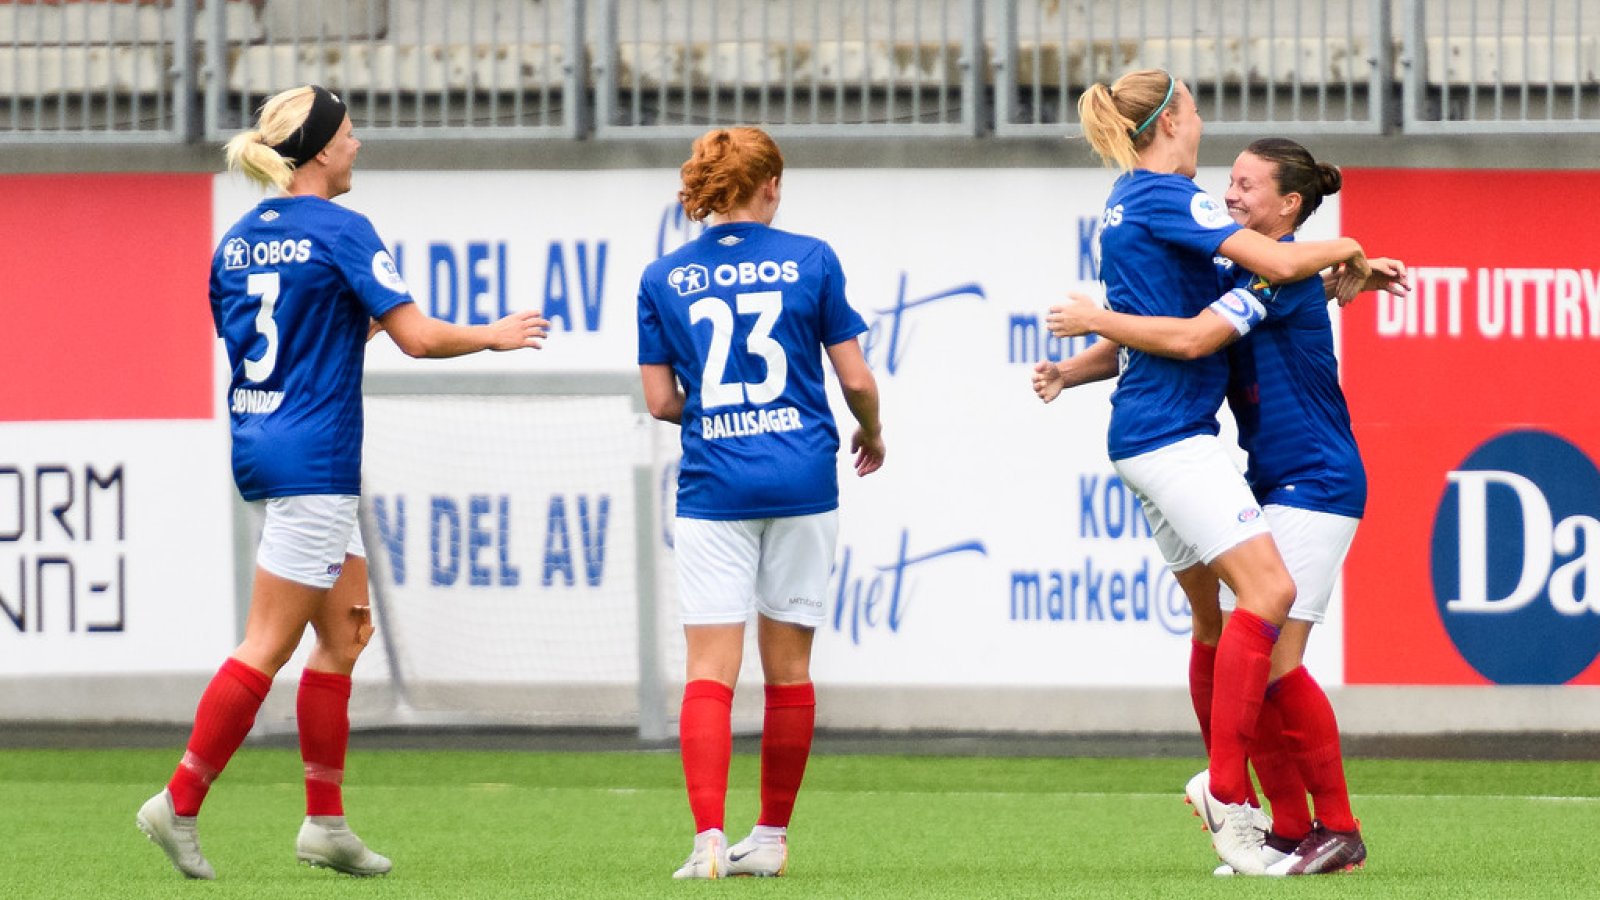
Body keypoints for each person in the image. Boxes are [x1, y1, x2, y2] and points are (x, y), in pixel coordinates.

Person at [135, 84, 549, 880]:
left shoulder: (235, 241)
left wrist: (360, 318)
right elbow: (420, 340)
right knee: (268, 643)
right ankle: (178, 801)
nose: (359, 146)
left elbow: (288, 332)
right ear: (321, 150)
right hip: (316, 461)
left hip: (263, 448)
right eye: (351, 135)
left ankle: (325, 823)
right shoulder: (343, 228)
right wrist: (494, 336)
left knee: (345, 633)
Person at [1042, 138, 1405, 875]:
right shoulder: (1253, 269)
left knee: (1276, 661)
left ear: (1288, 205)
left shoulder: (1280, 275)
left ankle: (1327, 824)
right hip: (1279, 477)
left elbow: (1197, 335)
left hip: (1320, 480)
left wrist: (1096, 319)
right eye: (1230, 182)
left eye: (1245, 187)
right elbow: (1169, 340)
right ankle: (1292, 829)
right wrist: (1073, 370)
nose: (1229, 196)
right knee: (1262, 657)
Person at [636, 126, 885, 880]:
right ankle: (770, 838)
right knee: (790, 670)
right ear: (770, 185)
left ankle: (709, 837)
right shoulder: (812, 259)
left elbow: (658, 400)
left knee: (710, 667)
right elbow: (859, 382)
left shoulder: (664, 276)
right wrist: (872, 433)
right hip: (804, 479)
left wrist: (717, 411)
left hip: (716, 485)